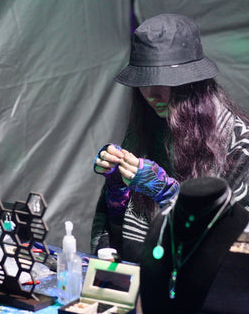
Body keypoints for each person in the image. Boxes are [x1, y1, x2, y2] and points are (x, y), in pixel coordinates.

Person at [90, 14, 249, 263]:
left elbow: (233, 246)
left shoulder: (238, 144)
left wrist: (167, 193)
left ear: (193, 85)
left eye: (164, 82)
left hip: (199, 294)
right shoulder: (147, 128)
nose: (152, 94)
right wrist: (116, 186)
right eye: (144, 82)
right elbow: (118, 237)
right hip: (142, 282)